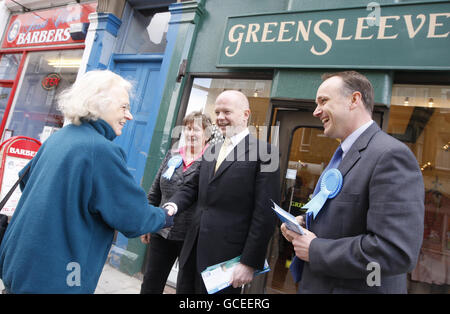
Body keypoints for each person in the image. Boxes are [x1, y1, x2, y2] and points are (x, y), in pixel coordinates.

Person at [0, 70, 172, 294]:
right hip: (58, 281)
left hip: (19, 268)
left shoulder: (59, 137)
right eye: (124, 107)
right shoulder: (101, 151)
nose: (129, 116)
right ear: (98, 104)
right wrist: (167, 215)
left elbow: (27, 183)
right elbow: (134, 219)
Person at [282, 71, 425, 293]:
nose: (316, 111)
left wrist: (316, 249)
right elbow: (342, 218)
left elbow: (395, 251)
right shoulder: (343, 155)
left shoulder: (391, 156)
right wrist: (303, 224)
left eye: (323, 101)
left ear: (354, 100)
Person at [166, 90, 280, 294]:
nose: (219, 117)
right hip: (192, 251)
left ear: (245, 114)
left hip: (227, 261)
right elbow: (192, 187)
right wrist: (173, 205)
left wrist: (249, 262)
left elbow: (265, 215)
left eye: (226, 112)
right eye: (217, 112)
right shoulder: (211, 149)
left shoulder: (266, 153)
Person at [139, 111, 212, 294]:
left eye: (196, 129)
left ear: (207, 134)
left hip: (191, 237)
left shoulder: (211, 160)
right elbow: (155, 190)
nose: (190, 133)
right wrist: (148, 223)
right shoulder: (173, 154)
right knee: (151, 282)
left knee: (186, 288)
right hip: (161, 231)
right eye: (187, 129)